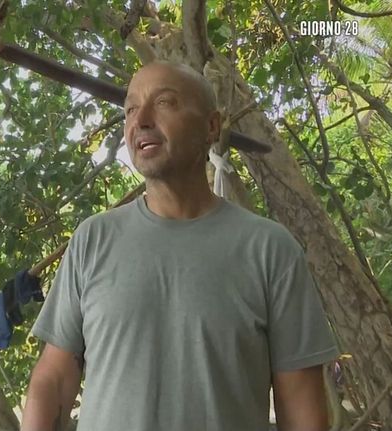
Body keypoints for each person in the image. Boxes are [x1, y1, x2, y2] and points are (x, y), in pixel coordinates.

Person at [21, 61, 338, 431]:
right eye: (130, 109)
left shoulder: (269, 249)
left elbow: (301, 405)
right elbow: (54, 377)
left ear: (211, 126)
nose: (140, 121)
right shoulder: (93, 239)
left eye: (164, 103)